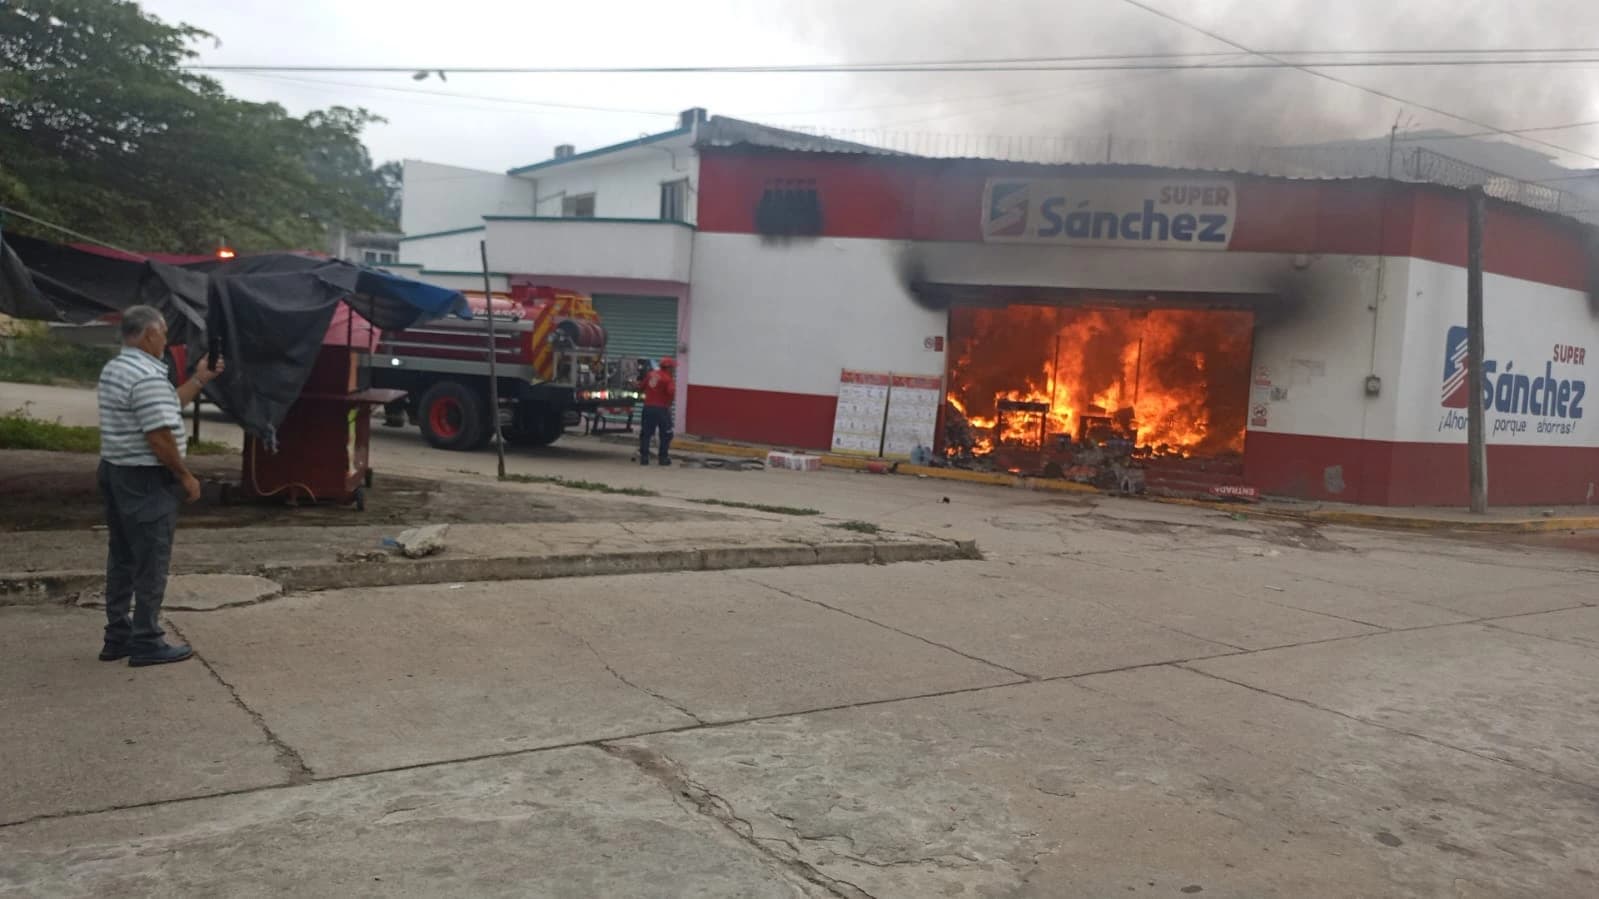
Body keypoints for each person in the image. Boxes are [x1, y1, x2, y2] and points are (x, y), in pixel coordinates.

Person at [96, 305, 225, 667]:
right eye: (164, 333)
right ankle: (147, 640)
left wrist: (200, 379)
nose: (166, 340)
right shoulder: (147, 377)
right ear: (150, 333)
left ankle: (117, 635)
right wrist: (185, 476)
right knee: (151, 560)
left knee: (122, 556)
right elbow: (158, 436)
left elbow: (166, 405)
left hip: (116, 471)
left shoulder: (117, 368)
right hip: (146, 478)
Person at [638, 357, 676, 466]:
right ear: (668, 368)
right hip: (662, 409)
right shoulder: (668, 379)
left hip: (648, 408)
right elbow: (671, 392)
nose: (674, 370)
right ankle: (663, 458)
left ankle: (644, 457)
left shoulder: (651, 374)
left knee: (646, 433)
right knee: (666, 434)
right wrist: (669, 404)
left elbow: (641, 387)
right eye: (673, 368)